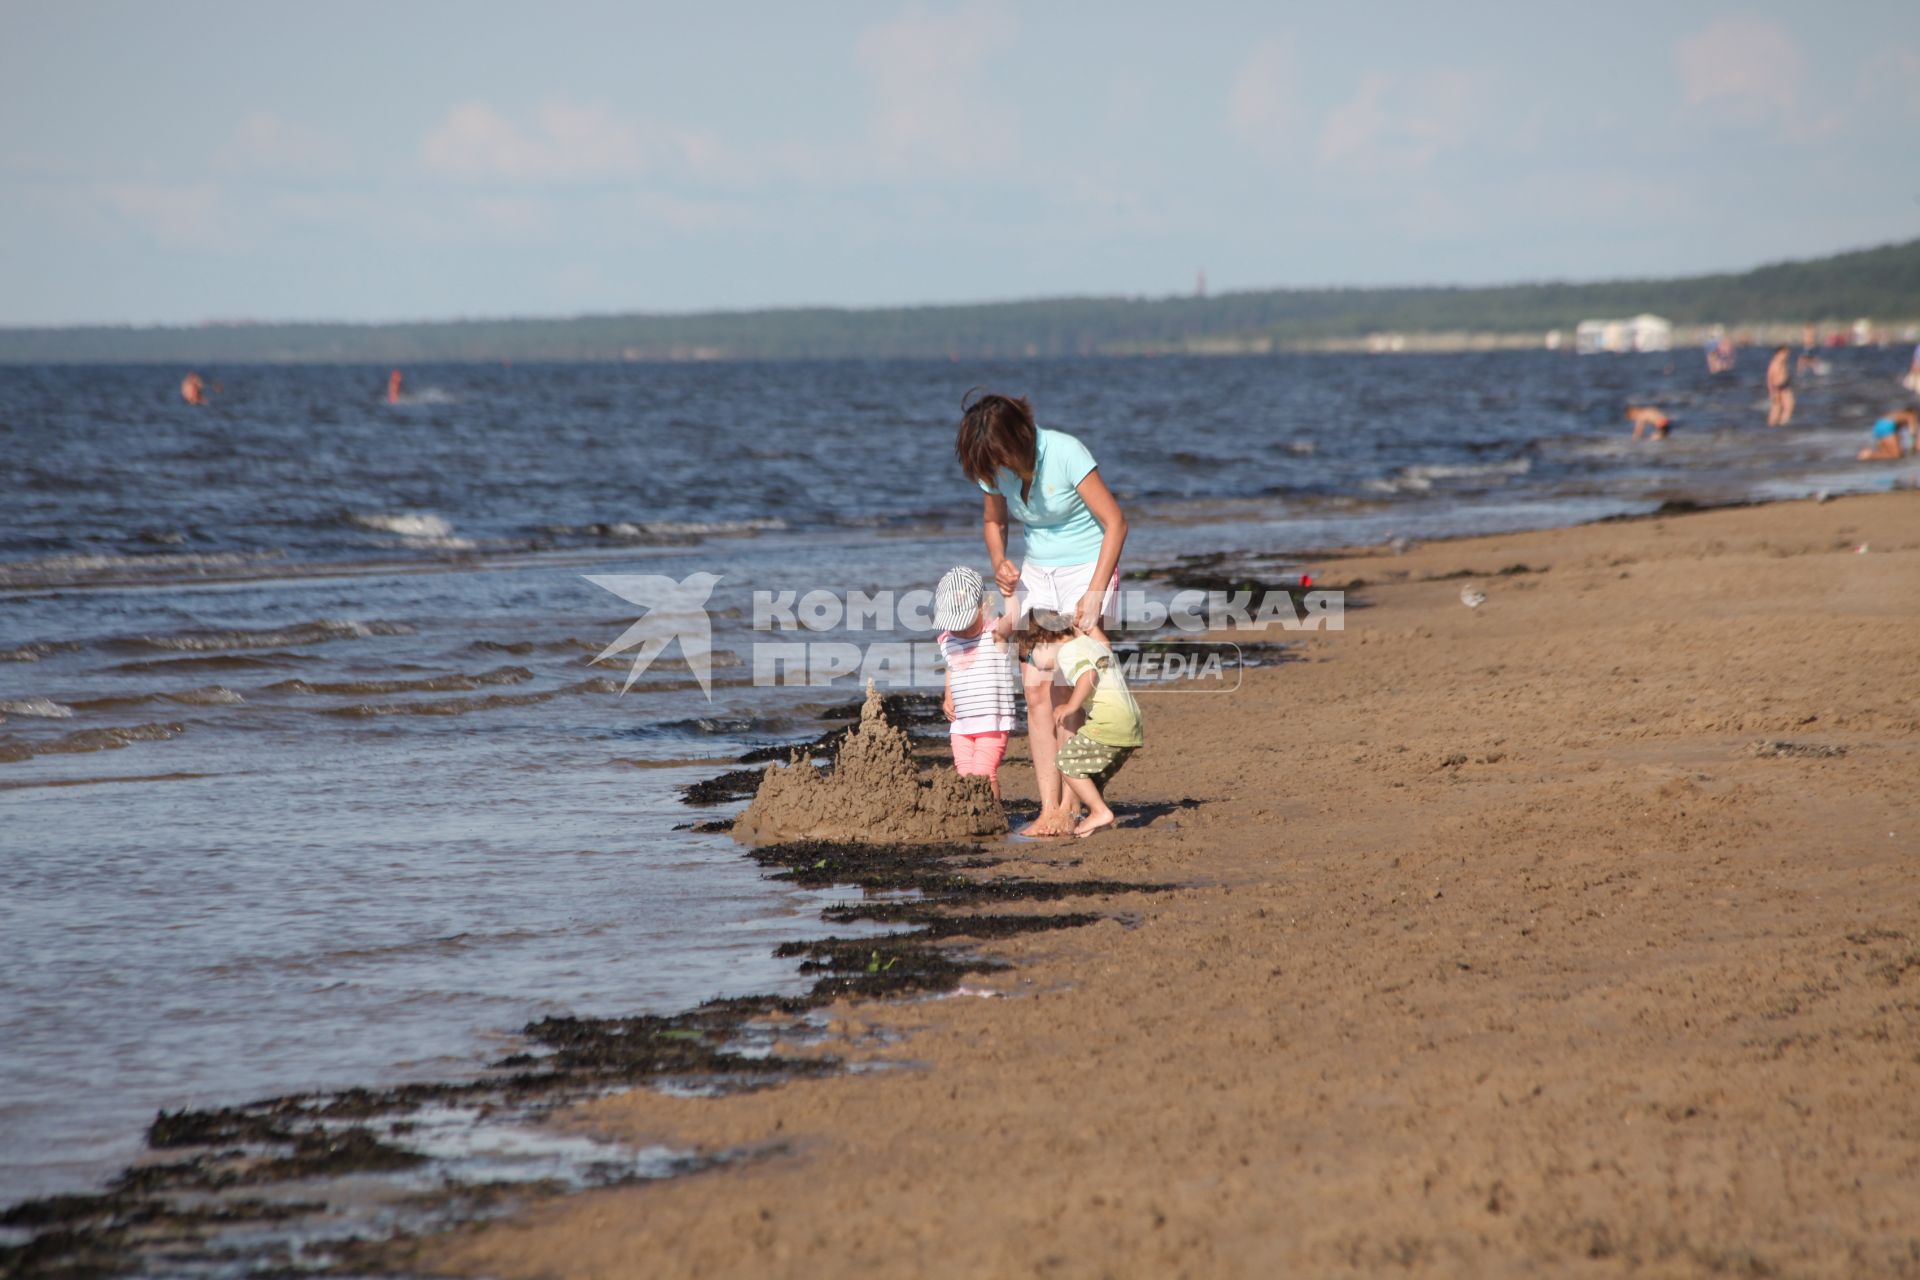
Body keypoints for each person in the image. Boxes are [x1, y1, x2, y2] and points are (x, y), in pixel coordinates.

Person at [956, 392, 1129, 837]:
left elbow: (1115, 522)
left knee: (1069, 688)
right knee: (1036, 692)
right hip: (1038, 573)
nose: (995, 472)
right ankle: (1047, 807)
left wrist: (1094, 594)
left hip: (1087, 568)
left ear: (1018, 436)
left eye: (997, 459)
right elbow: (995, 523)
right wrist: (1000, 563)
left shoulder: (1066, 452)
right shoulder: (997, 470)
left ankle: (1072, 808)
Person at [1018, 608, 1143, 839]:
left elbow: (1087, 676)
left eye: (1029, 656)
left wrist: (1071, 706)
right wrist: (1091, 626)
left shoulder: (1068, 652)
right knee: (1090, 773)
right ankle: (1098, 822)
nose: (1032, 664)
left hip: (1109, 722)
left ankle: (1099, 812)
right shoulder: (1090, 644)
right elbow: (1106, 645)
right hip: (1131, 722)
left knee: (1066, 762)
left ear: (1044, 640)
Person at [933, 565, 1018, 800]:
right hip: (961, 723)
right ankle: (971, 814)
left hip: (991, 721)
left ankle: (993, 816)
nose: (959, 629)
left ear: (985, 607)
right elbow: (952, 668)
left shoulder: (994, 635)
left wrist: (1010, 594)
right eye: (955, 622)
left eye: (966, 622)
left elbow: (1012, 621)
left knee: (984, 773)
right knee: (964, 773)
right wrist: (948, 696)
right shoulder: (947, 640)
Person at [1766, 346, 1795, 426]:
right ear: (1779, 353)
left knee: (1789, 405)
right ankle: (1772, 425)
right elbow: (1769, 378)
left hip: (1785, 386)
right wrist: (1772, 392)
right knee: (1777, 408)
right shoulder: (1774, 363)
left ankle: (1783, 423)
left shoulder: (1783, 362)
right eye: (1785, 354)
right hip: (1777, 388)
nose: (1786, 356)